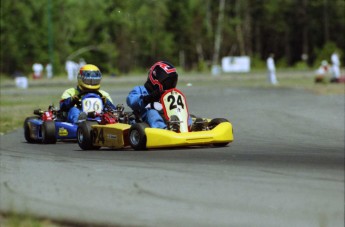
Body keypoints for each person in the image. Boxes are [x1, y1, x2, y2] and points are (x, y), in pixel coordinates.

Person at [127, 61, 192, 130]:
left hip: (167, 117)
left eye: (172, 83)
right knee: (152, 113)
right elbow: (130, 100)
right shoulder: (141, 90)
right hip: (145, 119)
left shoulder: (167, 94)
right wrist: (147, 98)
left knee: (183, 113)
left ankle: (189, 127)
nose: (169, 85)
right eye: (167, 83)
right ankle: (163, 129)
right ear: (155, 79)